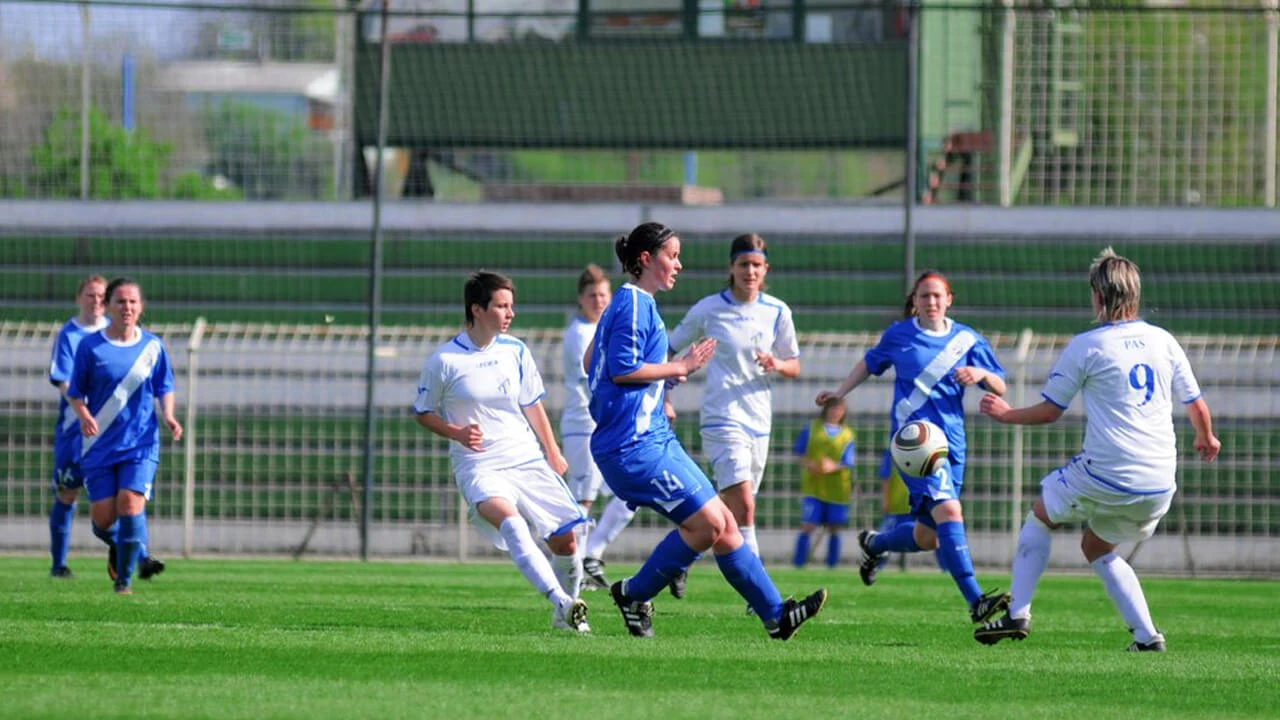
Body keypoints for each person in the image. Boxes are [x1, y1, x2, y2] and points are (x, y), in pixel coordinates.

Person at [586, 221, 827, 639]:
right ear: (647, 260)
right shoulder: (634, 305)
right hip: (632, 446)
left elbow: (594, 360)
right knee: (708, 526)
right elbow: (622, 368)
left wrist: (659, 386)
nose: (678, 264)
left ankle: (777, 617)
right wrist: (678, 367)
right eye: (672, 256)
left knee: (725, 523)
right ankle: (635, 593)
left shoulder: (632, 305)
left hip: (653, 436)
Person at [974, 248, 1221, 652]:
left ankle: (1018, 612)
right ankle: (1146, 636)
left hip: (1110, 471)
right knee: (1095, 546)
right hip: (1160, 481)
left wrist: (1004, 413)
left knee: (1041, 514)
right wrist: (1206, 438)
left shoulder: (1088, 345)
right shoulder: (1164, 341)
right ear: (1135, 294)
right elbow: (1195, 403)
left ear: (1097, 296)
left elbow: (1050, 412)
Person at [815, 269, 1011, 625]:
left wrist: (981, 376)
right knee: (950, 514)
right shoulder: (900, 334)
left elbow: (1001, 386)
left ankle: (875, 544)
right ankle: (976, 600)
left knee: (928, 537)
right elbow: (869, 363)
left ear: (949, 300)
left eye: (938, 296)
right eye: (924, 296)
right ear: (915, 301)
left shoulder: (967, 340)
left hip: (952, 444)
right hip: (916, 445)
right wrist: (839, 393)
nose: (931, 302)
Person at [413, 271, 590, 633]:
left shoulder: (516, 350)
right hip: (478, 465)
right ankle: (563, 602)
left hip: (524, 457)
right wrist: (456, 432)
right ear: (477, 310)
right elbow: (422, 412)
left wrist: (552, 451)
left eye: (512, 305)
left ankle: (564, 620)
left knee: (567, 540)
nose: (510, 313)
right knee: (513, 524)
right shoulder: (445, 360)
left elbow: (533, 405)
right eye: (502, 306)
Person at [665, 233, 800, 593]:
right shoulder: (709, 309)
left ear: (765, 268)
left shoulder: (777, 312)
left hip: (760, 420)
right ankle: (760, 591)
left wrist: (778, 363)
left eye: (756, 265)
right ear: (731, 267)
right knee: (746, 506)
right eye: (743, 264)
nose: (750, 271)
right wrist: (664, 393)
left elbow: (795, 366)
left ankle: (679, 558)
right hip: (722, 417)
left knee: (726, 512)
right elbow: (669, 348)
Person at [67, 278, 182, 594]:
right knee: (104, 518)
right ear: (107, 307)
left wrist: (169, 415)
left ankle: (125, 579)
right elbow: (75, 391)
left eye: (132, 302)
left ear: (141, 307)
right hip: (99, 444)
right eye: (120, 301)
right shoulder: (91, 347)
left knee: (130, 504)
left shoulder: (153, 347)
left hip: (141, 443)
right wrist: (84, 414)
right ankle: (127, 549)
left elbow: (164, 385)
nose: (127, 307)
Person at [560, 264, 636, 590]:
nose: (598, 300)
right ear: (581, 298)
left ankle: (593, 553)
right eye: (592, 295)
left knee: (631, 491)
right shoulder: (579, 335)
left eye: (603, 294)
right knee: (584, 497)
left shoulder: (606, 329)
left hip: (608, 423)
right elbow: (595, 381)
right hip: (583, 424)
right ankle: (573, 571)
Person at [46, 275, 109, 578]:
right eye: (90, 295)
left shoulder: (117, 333)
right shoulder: (69, 334)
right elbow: (63, 380)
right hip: (75, 428)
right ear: (79, 298)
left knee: (118, 492)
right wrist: (85, 411)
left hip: (111, 429)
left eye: (100, 296)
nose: (96, 301)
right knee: (68, 492)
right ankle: (58, 564)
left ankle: (125, 554)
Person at [791, 398, 855, 569]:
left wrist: (833, 466)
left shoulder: (847, 434)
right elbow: (798, 453)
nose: (835, 412)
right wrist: (810, 463)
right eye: (832, 408)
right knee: (808, 525)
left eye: (839, 409)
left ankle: (832, 565)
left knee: (834, 527)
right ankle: (798, 564)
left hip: (837, 489)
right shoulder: (812, 429)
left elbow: (848, 461)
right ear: (826, 409)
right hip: (814, 487)